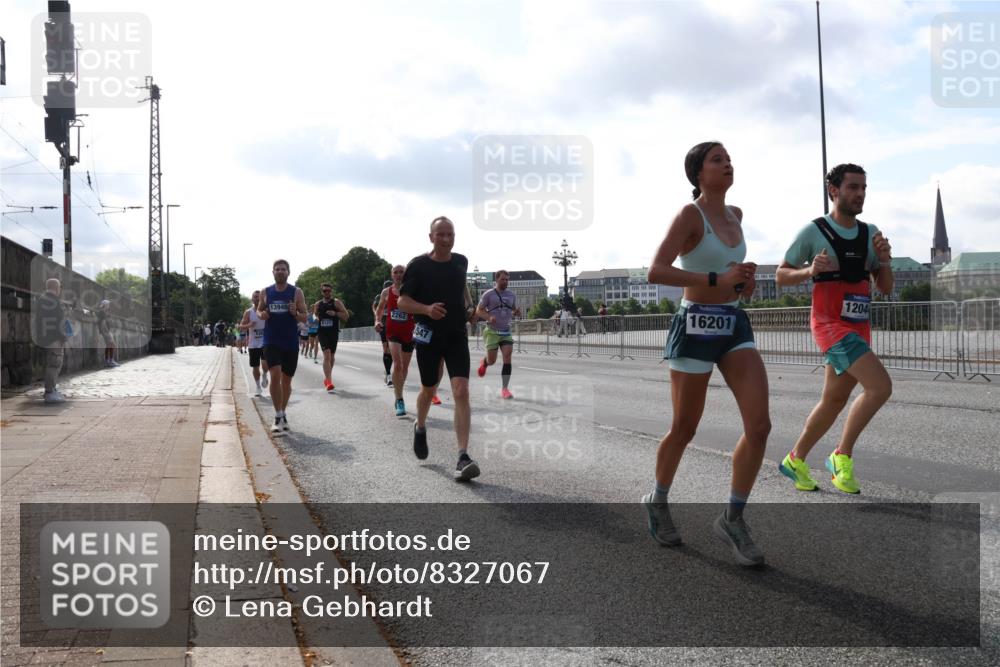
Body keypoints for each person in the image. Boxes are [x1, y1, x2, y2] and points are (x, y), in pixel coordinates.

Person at [643, 141, 769, 567]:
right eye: (718, 159)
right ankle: (657, 500)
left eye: (730, 158)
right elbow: (656, 270)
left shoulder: (737, 215)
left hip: (733, 323)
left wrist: (743, 284)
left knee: (760, 425)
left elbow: (733, 279)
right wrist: (717, 275)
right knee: (684, 427)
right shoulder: (689, 215)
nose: (728, 164)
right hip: (694, 324)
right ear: (699, 172)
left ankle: (733, 518)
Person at [775, 163, 893, 495]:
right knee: (880, 387)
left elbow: (884, 288)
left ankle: (795, 459)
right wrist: (809, 271)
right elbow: (781, 276)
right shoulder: (814, 232)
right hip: (829, 325)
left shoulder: (870, 233)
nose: (860, 194)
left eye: (864, 188)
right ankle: (842, 456)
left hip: (859, 325)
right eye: (853, 187)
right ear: (834, 190)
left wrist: (884, 259)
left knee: (834, 400)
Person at [398, 216, 480, 481]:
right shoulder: (418, 266)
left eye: (450, 234)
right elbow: (402, 302)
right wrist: (426, 309)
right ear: (431, 237)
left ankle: (462, 456)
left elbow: (462, 287)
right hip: (429, 336)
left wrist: (469, 308)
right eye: (441, 234)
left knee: (461, 390)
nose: (446, 239)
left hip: (456, 334)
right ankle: (420, 426)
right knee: (429, 388)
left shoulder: (461, 261)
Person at [257, 259, 308, 434]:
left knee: (286, 380)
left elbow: (305, 317)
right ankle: (277, 415)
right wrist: (261, 314)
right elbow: (259, 310)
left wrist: (296, 313)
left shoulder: (296, 292)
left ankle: (283, 411)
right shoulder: (266, 292)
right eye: (277, 269)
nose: (280, 271)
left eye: (283, 269)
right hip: (271, 340)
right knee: (275, 374)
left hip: (290, 341)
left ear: (288, 272)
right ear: (273, 272)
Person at [476, 270, 521, 399]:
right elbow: (479, 310)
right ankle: (485, 363)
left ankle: (505, 389)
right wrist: (489, 317)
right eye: (503, 279)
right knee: (492, 360)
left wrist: (516, 312)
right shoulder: (488, 294)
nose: (505, 282)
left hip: (506, 331)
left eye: (507, 279)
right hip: (492, 331)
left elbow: (513, 310)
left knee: (507, 355)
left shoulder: (512, 295)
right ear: (496, 280)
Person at [35, 278, 69, 404]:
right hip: (54, 338)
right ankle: (50, 392)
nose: (60, 290)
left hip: (44, 337)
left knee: (51, 364)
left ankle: (51, 389)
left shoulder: (41, 300)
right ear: (56, 287)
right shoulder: (55, 302)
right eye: (59, 287)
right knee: (54, 364)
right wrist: (63, 337)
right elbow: (59, 322)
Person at [313, 283, 349, 392]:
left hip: (333, 332)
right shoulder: (318, 304)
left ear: (331, 291)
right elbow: (314, 314)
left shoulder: (336, 303)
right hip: (322, 332)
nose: (327, 292)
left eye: (329, 290)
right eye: (325, 291)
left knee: (332, 357)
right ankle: (329, 381)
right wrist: (316, 318)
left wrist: (335, 314)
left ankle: (327, 377)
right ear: (322, 292)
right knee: (327, 355)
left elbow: (346, 316)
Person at [240, 290, 270, 396]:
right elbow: (241, 327)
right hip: (253, 344)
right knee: (255, 367)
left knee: (265, 364)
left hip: (265, 342)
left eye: (259, 297)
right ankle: (258, 387)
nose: (257, 298)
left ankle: (265, 374)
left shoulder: (267, 311)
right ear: (252, 299)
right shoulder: (248, 312)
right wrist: (249, 325)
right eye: (255, 297)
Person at [373, 279, 394, 386]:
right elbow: (375, 307)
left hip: (394, 324)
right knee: (386, 349)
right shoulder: (380, 296)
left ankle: (389, 372)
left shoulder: (397, 294)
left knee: (391, 350)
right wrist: (377, 317)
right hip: (384, 324)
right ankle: (389, 373)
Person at [97, 299, 119, 367]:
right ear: (105, 305)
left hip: (106, 330)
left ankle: (108, 361)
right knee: (112, 344)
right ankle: (110, 361)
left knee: (109, 345)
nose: (109, 306)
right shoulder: (102, 312)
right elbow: (102, 322)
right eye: (108, 304)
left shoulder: (105, 312)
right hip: (105, 331)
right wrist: (106, 331)